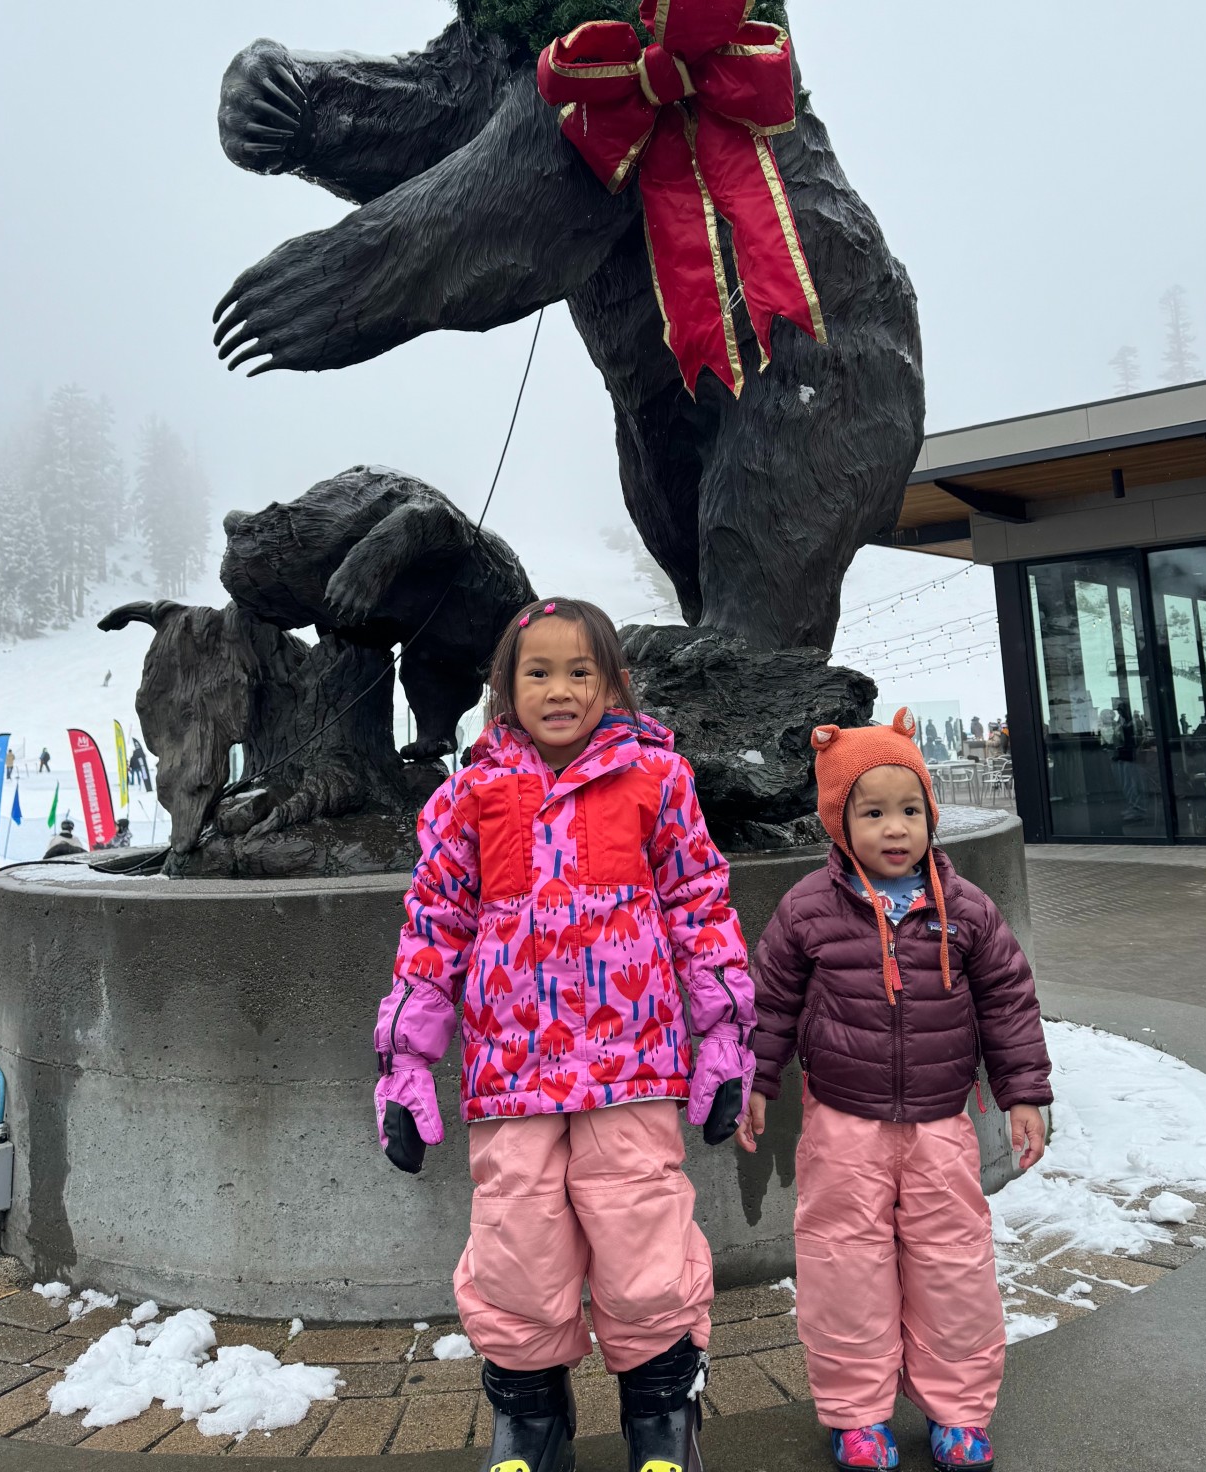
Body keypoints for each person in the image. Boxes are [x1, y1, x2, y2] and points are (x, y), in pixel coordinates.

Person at [374, 597, 755, 1472]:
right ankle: (530, 1421)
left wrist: (726, 1035)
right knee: (517, 1242)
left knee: (643, 1239)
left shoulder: (659, 780)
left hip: (633, 1065)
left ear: (612, 682)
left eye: (581, 671)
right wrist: (406, 1064)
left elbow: (702, 910)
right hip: (514, 1073)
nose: (560, 689)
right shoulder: (468, 796)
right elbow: (433, 929)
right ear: (504, 687)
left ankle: (662, 1418)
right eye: (537, 671)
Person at [739, 710, 1052, 1472]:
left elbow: (1008, 1004)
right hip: (844, 1124)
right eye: (872, 812)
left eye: (910, 810)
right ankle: (857, 1413)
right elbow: (769, 1003)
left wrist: (1025, 1094)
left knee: (955, 1263)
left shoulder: (966, 909)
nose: (895, 828)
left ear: (931, 816)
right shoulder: (808, 910)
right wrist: (754, 1080)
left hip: (944, 1123)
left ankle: (958, 1409)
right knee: (845, 1265)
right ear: (839, 822)